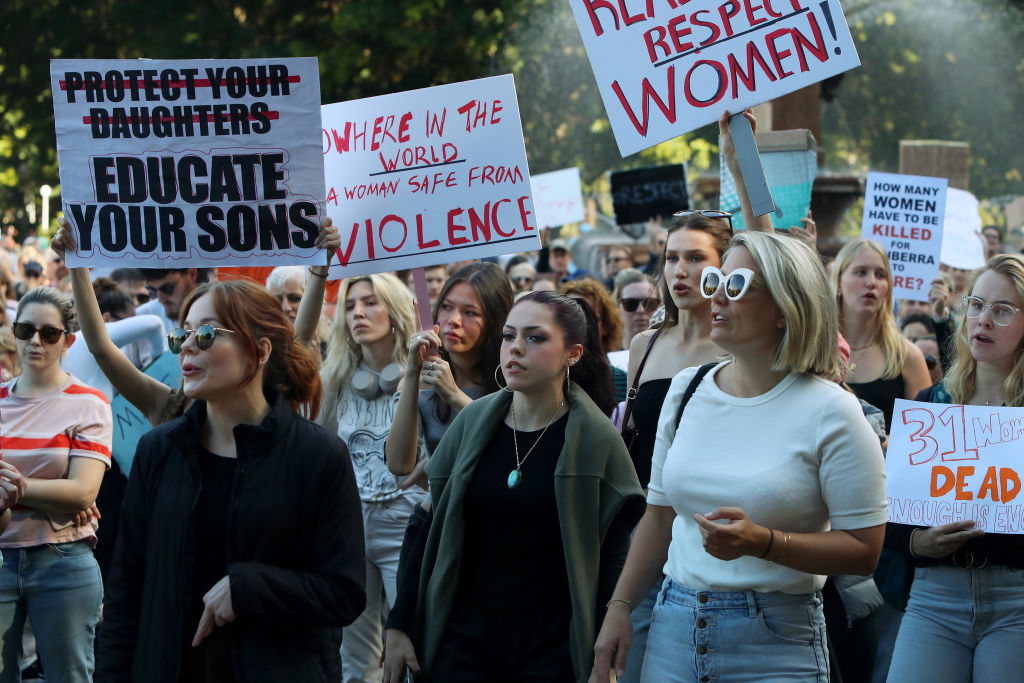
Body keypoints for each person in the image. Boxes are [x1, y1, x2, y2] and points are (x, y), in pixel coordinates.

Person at [591, 231, 887, 683]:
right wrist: (620, 607)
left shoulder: (834, 411)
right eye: (716, 281)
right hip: (673, 626)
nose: (716, 297)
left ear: (785, 310)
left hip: (775, 641)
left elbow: (864, 550)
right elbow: (659, 516)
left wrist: (764, 542)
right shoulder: (686, 389)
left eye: (736, 285)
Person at [96, 279, 366, 682]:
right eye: (181, 333)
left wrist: (249, 588)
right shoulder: (158, 451)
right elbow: (126, 592)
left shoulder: (318, 456)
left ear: (259, 351)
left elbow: (343, 594)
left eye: (205, 334)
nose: (187, 346)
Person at [401, 291, 643, 682]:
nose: (515, 348)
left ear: (573, 353)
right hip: (462, 643)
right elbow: (429, 526)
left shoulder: (595, 438)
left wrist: (605, 639)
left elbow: (613, 552)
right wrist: (399, 623)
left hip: (551, 650)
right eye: (509, 336)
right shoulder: (474, 421)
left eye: (535, 338)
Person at [886, 253, 1024, 681]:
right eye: (977, 305)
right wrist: (917, 544)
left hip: (1017, 601)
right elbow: (891, 517)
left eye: (1002, 310)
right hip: (933, 600)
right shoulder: (930, 407)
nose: (983, 320)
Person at [0, 286, 113, 683]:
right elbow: (70, 493)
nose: (35, 340)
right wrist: (56, 493)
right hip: (2, 554)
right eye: (25, 329)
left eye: (48, 333)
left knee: (69, 676)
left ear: (68, 340)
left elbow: (83, 492)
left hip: (62, 559)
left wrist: (16, 486)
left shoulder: (89, 403)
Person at [316, 272, 420, 683]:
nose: (358, 312)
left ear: (395, 312)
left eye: (370, 302)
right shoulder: (334, 378)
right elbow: (314, 447)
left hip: (406, 530)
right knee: (354, 659)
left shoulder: (425, 374)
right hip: (350, 530)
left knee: (412, 648)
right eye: (350, 304)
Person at [832, 239, 932, 433]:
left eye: (880, 275)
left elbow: (923, 442)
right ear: (838, 281)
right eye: (861, 272)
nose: (871, 282)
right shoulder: (813, 348)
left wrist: (878, 440)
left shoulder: (908, 356)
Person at [561, 278, 627, 401]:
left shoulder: (625, 383)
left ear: (606, 326)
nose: (576, 324)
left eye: (587, 317)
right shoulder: (548, 381)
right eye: (568, 316)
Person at [137, 268, 207, 334]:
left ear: (192, 274)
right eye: (153, 290)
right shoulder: (141, 319)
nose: (161, 299)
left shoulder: (215, 310)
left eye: (167, 288)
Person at [613, 269, 659, 351]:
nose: (640, 310)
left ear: (660, 306)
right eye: (630, 304)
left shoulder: (673, 352)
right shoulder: (606, 356)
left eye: (649, 303)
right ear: (617, 307)